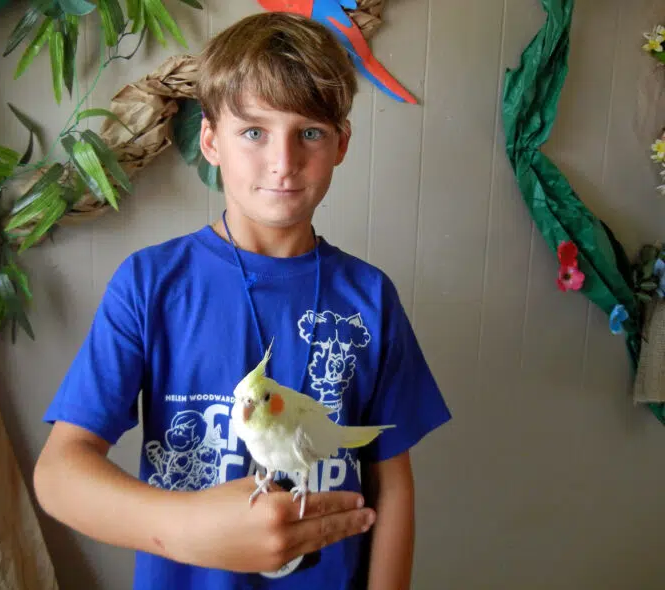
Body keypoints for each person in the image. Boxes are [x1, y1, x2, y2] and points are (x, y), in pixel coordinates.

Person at [33, 10, 451, 590]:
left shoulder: (369, 297)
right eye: (254, 131)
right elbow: (59, 472)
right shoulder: (151, 285)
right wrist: (179, 528)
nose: (283, 162)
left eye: (310, 132)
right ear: (210, 140)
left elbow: (392, 481)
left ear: (342, 145)